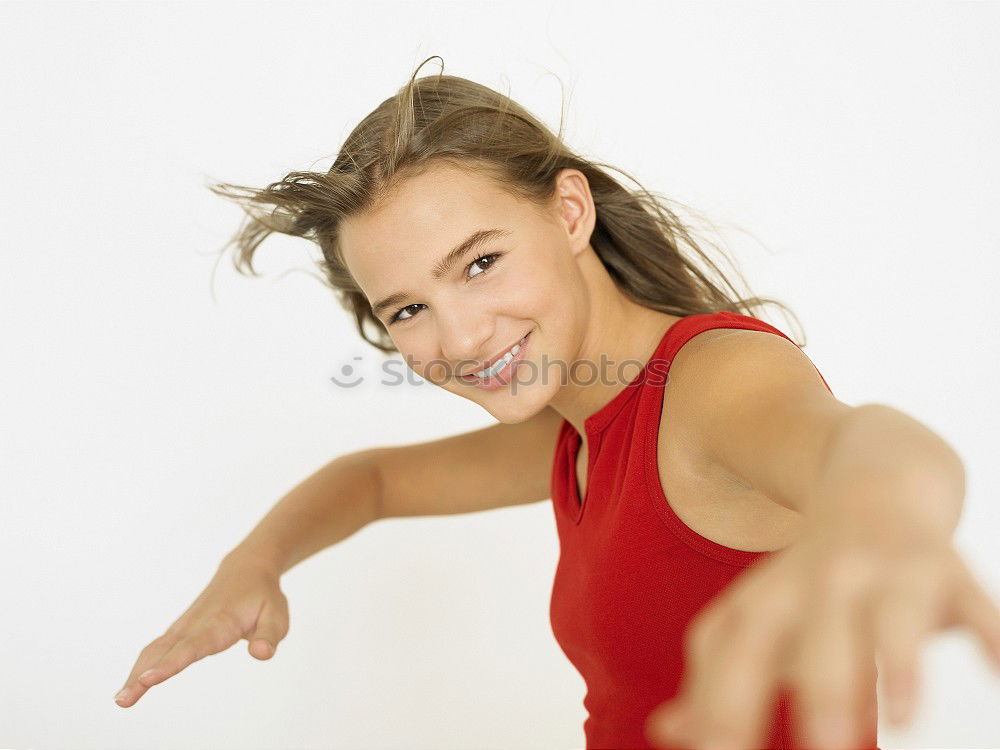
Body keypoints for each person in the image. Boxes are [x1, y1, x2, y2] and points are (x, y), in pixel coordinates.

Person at [114, 57, 1000, 750]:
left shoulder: (708, 384)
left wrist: (881, 514)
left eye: (480, 262)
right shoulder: (580, 422)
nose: (458, 339)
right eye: (409, 309)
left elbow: (867, 445)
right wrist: (253, 561)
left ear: (569, 211)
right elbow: (372, 481)